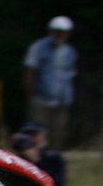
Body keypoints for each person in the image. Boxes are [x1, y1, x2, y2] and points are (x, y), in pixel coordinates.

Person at [24, 16, 78, 149]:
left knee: (58, 132)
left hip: (62, 98)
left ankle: (54, 156)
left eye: (63, 31)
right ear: (51, 31)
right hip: (41, 97)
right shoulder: (38, 47)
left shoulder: (70, 51)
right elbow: (30, 70)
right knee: (38, 131)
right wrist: (32, 94)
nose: (60, 34)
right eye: (57, 31)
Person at [12, 121, 68, 186]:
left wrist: (37, 162)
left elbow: (55, 184)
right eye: (27, 135)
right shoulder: (17, 159)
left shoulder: (53, 158)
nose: (31, 139)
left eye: (34, 135)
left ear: (44, 137)